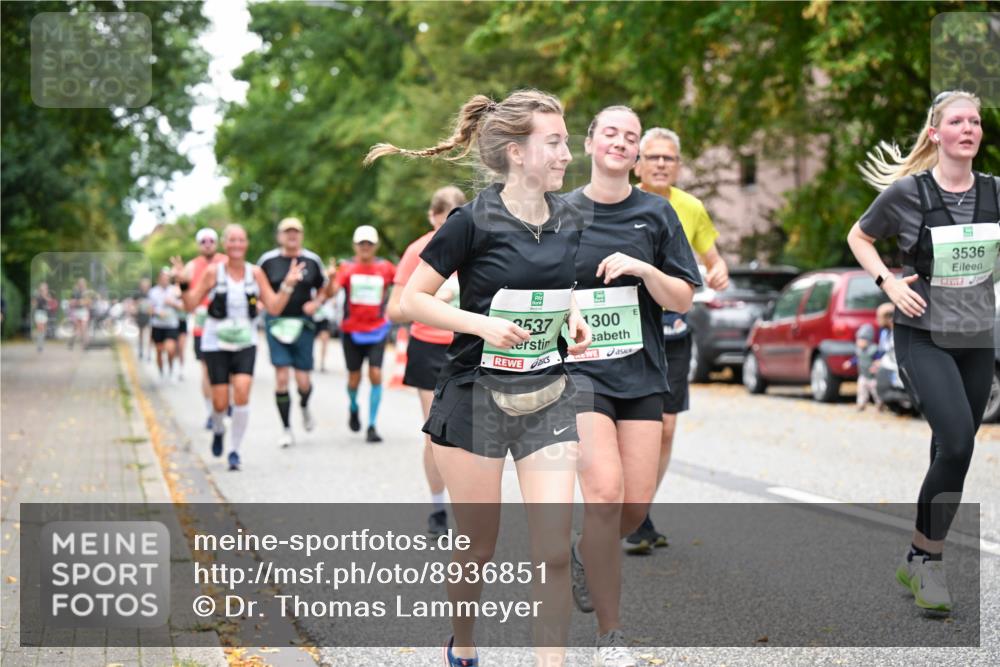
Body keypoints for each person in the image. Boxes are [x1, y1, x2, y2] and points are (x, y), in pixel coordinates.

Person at [366, 89, 592, 667]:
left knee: (553, 549)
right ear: (517, 152)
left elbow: (558, 290)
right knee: (477, 548)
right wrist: (482, 324)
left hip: (547, 392)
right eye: (556, 142)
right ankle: (463, 644)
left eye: (566, 141)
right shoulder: (472, 221)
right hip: (475, 395)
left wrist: (575, 318)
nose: (568, 153)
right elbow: (414, 301)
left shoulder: (569, 216)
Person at [847, 90, 999, 614]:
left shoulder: (996, 193)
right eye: (957, 120)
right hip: (923, 332)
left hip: (977, 337)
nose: (968, 128)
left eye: (975, 121)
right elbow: (859, 236)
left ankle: (919, 554)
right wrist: (887, 283)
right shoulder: (907, 194)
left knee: (951, 450)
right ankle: (926, 560)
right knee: (957, 443)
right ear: (936, 134)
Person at [564, 106, 700, 667]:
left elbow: (683, 297)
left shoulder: (656, 214)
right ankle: (610, 637)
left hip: (643, 371)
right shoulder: (560, 211)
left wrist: (644, 270)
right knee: (603, 493)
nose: (621, 142)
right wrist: (566, 305)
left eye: (631, 137)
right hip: (580, 372)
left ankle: (581, 552)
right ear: (591, 142)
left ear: (637, 152)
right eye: (611, 133)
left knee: (633, 504)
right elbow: (530, 281)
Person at [627, 126, 730, 553]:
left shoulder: (691, 207)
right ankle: (622, 507)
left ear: (678, 165)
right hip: (628, 328)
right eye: (653, 157)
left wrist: (720, 270)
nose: (660, 164)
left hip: (673, 330)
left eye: (668, 158)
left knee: (665, 429)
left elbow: (711, 257)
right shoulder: (621, 200)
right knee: (629, 426)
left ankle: (640, 513)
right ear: (638, 163)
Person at [176, 224, 305, 471]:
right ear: (225, 244)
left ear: (246, 244)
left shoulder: (255, 274)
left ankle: (234, 450)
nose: (236, 245)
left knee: (243, 392)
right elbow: (190, 305)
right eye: (231, 240)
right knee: (220, 403)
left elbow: (275, 307)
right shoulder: (213, 273)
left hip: (245, 341)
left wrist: (288, 284)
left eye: (240, 240)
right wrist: (183, 285)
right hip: (216, 342)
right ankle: (217, 427)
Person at [387, 185, 467, 537]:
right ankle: (438, 509)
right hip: (428, 347)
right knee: (436, 435)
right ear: (432, 216)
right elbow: (393, 311)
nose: (449, 223)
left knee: (472, 436)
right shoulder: (418, 250)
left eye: (457, 215)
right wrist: (429, 297)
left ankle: (468, 507)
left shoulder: (476, 243)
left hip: (471, 345)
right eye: (443, 216)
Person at [258, 217, 328, 448]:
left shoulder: (312, 260)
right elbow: (259, 288)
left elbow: (324, 287)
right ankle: (286, 428)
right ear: (279, 236)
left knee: (303, 381)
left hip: (303, 325)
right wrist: (261, 304)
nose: (292, 236)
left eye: (296, 232)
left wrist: (316, 303)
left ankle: (305, 405)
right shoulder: (268, 261)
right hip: (276, 323)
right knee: (281, 377)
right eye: (287, 232)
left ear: (301, 235)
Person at [330, 225, 396, 443]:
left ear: (375, 245)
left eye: (369, 243)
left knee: (375, 373)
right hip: (351, 331)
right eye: (361, 243)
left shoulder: (386, 268)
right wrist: (331, 279)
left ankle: (372, 425)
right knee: (354, 378)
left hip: (377, 329)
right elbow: (330, 292)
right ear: (355, 246)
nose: (365, 247)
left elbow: (402, 285)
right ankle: (353, 406)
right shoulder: (346, 268)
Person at [172, 228, 227, 427]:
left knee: (226, 369)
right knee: (206, 371)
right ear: (198, 244)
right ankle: (211, 412)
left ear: (217, 242)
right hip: (202, 326)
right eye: (203, 241)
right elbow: (183, 294)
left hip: (227, 324)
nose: (208, 243)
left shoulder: (227, 262)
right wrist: (180, 282)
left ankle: (222, 403)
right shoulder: (191, 266)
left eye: (211, 240)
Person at [148, 268, 182, 381]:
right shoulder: (153, 292)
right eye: (163, 278)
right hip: (157, 325)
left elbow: (182, 306)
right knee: (159, 350)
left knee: (170, 349)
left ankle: (171, 369)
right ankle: (161, 372)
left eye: (167, 278)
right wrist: (157, 312)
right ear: (158, 279)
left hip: (171, 325)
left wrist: (172, 303)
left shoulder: (175, 290)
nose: (165, 280)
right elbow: (149, 309)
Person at [842, 323, 881, 411]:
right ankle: (861, 404)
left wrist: (876, 365)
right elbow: (856, 359)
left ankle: (879, 404)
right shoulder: (859, 351)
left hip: (872, 377)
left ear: (868, 340)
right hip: (863, 376)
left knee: (875, 392)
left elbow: (878, 360)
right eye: (858, 340)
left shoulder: (873, 350)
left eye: (861, 340)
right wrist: (849, 363)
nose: (859, 342)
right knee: (861, 391)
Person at [313, 270, 336, 373]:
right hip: (313, 316)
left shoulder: (329, 287)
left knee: (324, 340)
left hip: (325, 317)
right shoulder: (313, 287)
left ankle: (322, 363)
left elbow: (333, 300)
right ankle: (309, 360)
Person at [131, 278, 153, 361]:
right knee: (141, 335)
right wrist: (136, 307)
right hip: (140, 316)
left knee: (150, 336)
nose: (145, 287)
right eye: (143, 285)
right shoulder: (137, 295)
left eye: (146, 285)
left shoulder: (151, 294)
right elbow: (133, 305)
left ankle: (149, 353)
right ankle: (141, 351)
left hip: (149, 316)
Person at [32, 282, 56, 352]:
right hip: (38, 313)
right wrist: (34, 301)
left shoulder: (48, 295)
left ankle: (41, 343)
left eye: (45, 287)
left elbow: (50, 301)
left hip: (44, 313)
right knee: (40, 328)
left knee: (43, 330)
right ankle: (39, 345)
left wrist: (45, 296)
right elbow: (34, 304)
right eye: (42, 287)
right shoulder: (37, 295)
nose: (43, 288)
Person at [68, 278, 91, 350]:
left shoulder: (87, 292)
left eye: (83, 283)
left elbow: (89, 302)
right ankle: (71, 341)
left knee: (84, 328)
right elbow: (71, 303)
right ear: (78, 284)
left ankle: (85, 345)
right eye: (80, 283)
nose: (82, 285)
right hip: (76, 311)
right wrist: (78, 302)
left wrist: (85, 302)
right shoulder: (75, 292)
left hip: (84, 311)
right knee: (77, 329)